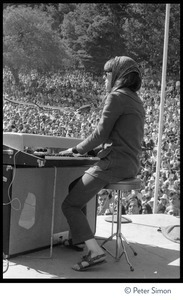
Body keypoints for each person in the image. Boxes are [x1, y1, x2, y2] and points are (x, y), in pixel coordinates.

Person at [59, 56, 145, 271]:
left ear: (118, 75)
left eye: (107, 73)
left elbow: (99, 134)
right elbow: (123, 137)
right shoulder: (135, 99)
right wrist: (97, 151)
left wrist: (75, 149)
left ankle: (95, 251)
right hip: (129, 162)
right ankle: (79, 238)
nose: (105, 77)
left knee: (69, 204)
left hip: (115, 163)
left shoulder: (116, 97)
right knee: (75, 189)